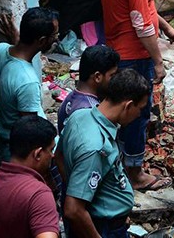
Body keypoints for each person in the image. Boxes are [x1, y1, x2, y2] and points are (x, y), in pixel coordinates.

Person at [100, 0, 174, 190]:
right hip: (133, 54)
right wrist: (158, 60)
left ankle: (121, 163)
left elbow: (143, 7)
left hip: (117, 48)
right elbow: (142, 25)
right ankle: (134, 173)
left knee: (122, 111)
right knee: (136, 114)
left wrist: (168, 28)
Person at [61, 69, 152, 238]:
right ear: (128, 105)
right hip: (101, 227)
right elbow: (73, 210)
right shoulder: (96, 148)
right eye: (139, 109)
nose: (139, 114)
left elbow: (59, 156)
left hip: (110, 219)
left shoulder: (79, 116)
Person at [0, 7, 60, 163]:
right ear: (42, 41)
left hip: (5, 140)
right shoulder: (27, 81)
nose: (56, 39)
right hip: (22, 152)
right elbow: (30, 133)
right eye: (55, 35)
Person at [58, 45, 120, 133]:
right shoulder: (91, 111)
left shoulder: (69, 97)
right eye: (112, 75)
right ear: (97, 77)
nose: (115, 80)